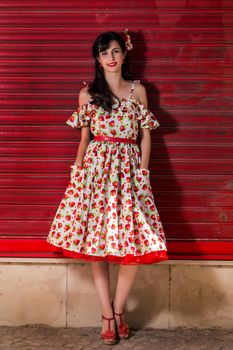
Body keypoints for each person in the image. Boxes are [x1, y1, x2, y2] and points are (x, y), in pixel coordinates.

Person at [46, 29, 168, 345]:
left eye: (115, 51)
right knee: (94, 245)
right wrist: (77, 171)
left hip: (128, 173)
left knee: (134, 244)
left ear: (124, 54)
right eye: (104, 53)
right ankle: (106, 315)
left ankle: (118, 308)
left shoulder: (138, 91)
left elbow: (146, 135)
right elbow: (85, 139)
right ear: (97, 60)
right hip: (96, 173)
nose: (110, 58)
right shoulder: (87, 95)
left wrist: (143, 172)